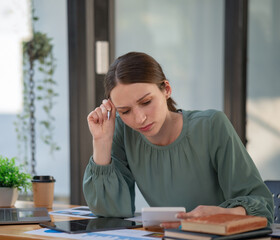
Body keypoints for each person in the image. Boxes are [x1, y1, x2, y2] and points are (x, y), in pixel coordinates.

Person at [83, 51, 274, 228]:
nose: (139, 118)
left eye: (146, 102)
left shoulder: (212, 126)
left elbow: (263, 206)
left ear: (166, 89)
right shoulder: (123, 132)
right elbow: (111, 212)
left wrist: (222, 214)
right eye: (125, 111)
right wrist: (101, 141)